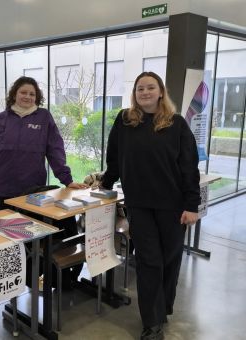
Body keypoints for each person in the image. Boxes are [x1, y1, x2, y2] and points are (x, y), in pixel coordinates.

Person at [100, 71, 200, 340]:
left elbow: (189, 167)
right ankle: (152, 323)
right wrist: (105, 184)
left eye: (150, 87)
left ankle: (163, 306)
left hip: (173, 206)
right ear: (135, 93)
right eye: (140, 88)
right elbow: (114, 158)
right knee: (149, 261)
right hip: (139, 205)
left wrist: (192, 205)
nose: (144, 92)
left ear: (160, 92)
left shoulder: (176, 124)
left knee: (170, 259)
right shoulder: (124, 121)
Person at [0, 75, 87, 210]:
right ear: (14, 94)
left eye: (32, 94)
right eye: (23, 92)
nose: (27, 96)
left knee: (32, 227)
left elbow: (55, 151)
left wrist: (67, 180)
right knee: (7, 226)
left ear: (37, 97)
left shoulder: (44, 118)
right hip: (2, 188)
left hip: (33, 189)